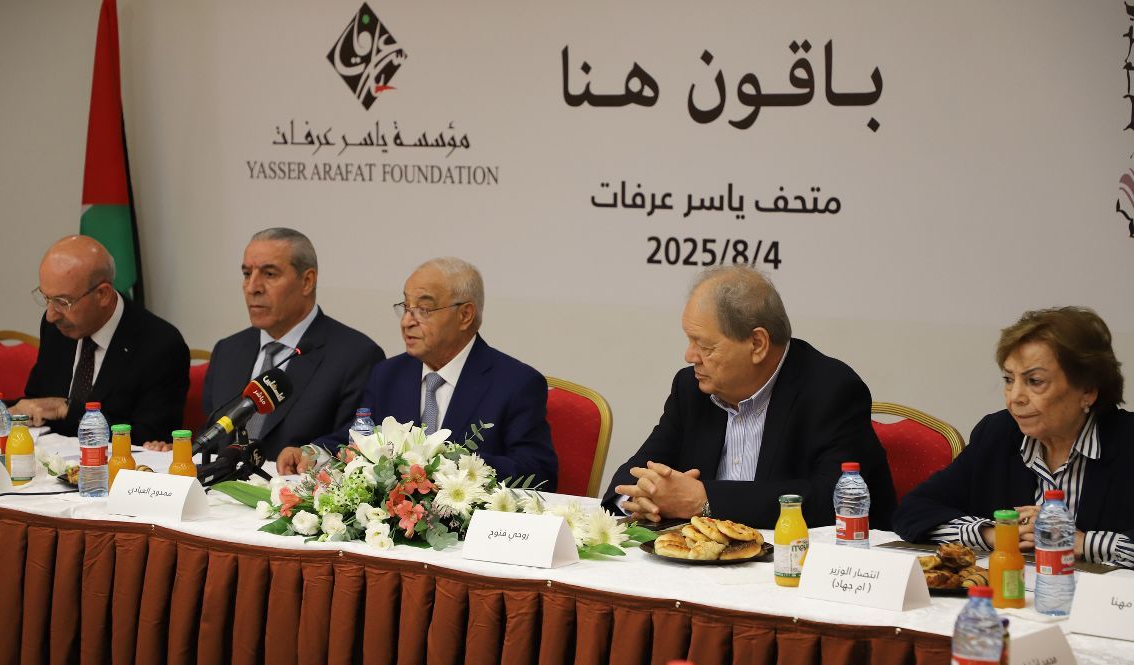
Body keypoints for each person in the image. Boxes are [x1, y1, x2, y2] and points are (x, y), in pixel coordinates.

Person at [603, 266, 895, 529]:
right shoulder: (691, 389)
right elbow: (632, 477)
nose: (690, 356)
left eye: (705, 346)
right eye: (690, 340)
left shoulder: (830, 390)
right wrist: (641, 500)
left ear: (757, 344)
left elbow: (831, 501)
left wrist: (705, 500)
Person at [278, 257, 558, 488]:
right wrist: (312, 452)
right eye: (406, 307)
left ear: (465, 315)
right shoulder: (388, 375)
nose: (407, 322)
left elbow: (538, 472)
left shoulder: (515, 383)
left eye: (423, 309)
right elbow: (359, 439)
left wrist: (447, 464)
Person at [894, 307, 1134, 568]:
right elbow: (913, 511)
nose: (1015, 397)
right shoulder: (997, 434)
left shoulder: (1126, 441)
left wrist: (1084, 543)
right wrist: (993, 534)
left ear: (1087, 390)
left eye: (1035, 381)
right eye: (1009, 379)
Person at [174, 228, 383, 461]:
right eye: (247, 274)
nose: (252, 287)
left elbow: (353, 447)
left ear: (307, 281)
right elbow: (210, 440)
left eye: (269, 274)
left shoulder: (356, 356)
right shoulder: (228, 350)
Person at [0, 235, 189, 444]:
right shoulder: (56, 327)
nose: (51, 314)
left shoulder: (160, 346)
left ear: (103, 294)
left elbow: (151, 439)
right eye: (46, 298)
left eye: (62, 302)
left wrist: (66, 410)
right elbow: (38, 401)